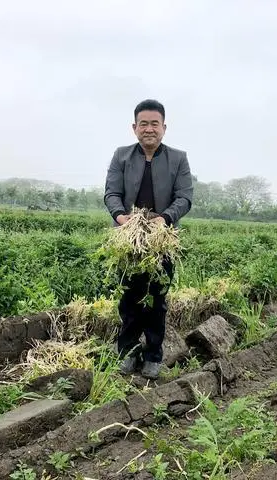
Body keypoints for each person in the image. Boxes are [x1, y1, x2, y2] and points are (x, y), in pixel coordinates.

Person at [103, 99, 193, 379]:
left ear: (164, 128)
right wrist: (121, 217)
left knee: (157, 298)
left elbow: (185, 197)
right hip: (129, 241)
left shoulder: (178, 158)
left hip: (161, 240)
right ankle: (127, 353)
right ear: (135, 128)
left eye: (155, 124)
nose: (149, 129)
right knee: (129, 298)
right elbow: (111, 193)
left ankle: (154, 355)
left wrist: (163, 219)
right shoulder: (121, 156)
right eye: (144, 124)